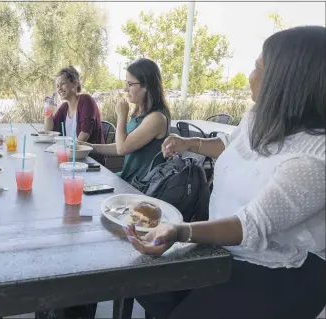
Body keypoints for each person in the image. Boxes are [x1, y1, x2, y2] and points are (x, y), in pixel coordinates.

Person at [124, 26, 325, 319]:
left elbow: (252, 224)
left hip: (278, 268)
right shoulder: (258, 117)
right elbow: (231, 145)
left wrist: (181, 232)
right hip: (224, 247)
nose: (250, 75)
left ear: (286, 81)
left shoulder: (314, 159)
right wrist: (189, 142)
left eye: (257, 67)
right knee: (148, 286)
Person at [84, 58, 171, 183]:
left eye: (130, 84)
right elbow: (122, 145)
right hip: (126, 180)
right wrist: (91, 147)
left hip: (140, 187)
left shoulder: (156, 118)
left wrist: (121, 116)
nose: (125, 89)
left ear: (146, 85)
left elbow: (122, 148)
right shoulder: (139, 113)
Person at [43, 66, 104, 144]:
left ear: (74, 84)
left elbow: (85, 134)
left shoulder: (86, 100)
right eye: (57, 86)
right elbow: (48, 130)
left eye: (62, 84)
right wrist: (48, 110)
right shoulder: (64, 108)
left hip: (89, 154)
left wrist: (68, 150)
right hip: (71, 152)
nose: (59, 88)